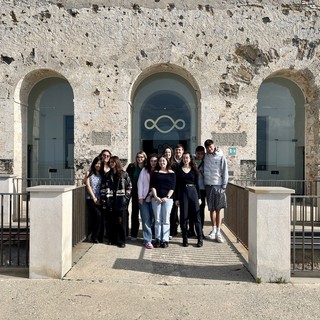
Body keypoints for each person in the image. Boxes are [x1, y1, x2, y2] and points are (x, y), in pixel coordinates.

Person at [100, 156, 132, 248]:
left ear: (117, 163)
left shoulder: (124, 174)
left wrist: (126, 199)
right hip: (110, 201)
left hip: (121, 202)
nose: (111, 164)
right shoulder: (107, 175)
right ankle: (112, 239)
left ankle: (121, 241)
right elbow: (102, 188)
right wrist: (104, 200)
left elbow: (129, 187)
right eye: (110, 162)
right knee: (110, 222)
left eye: (113, 162)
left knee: (121, 222)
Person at [175, 152, 203, 247]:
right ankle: (185, 238)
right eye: (184, 158)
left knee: (196, 216)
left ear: (190, 159)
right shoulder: (179, 171)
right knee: (183, 216)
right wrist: (177, 198)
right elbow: (177, 185)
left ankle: (200, 238)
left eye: (187, 158)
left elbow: (197, 185)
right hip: (183, 193)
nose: (185, 159)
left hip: (193, 192)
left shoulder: (194, 170)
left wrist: (199, 197)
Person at [203, 139, 229, 243]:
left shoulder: (221, 156)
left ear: (214, 145)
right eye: (208, 147)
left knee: (219, 209)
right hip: (208, 185)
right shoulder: (205, 157)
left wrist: (224, 186)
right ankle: (213, 230)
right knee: (211, 209)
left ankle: (218, 232)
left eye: (211, 146)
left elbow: (225, 171)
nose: (210, 149)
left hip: (218, 185)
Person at [150, 155, 176, 248]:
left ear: (167, 161)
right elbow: (152, 185)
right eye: (160, 161)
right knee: (157, 220)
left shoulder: (172, 173)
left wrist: (167, 197)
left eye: (164, 161)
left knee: (166, 220)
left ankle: (165, 240)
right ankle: (158, 239)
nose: (162, 162)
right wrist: (156, 196)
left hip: (167, 200)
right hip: (156, 199)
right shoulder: (155, 172)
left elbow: (172, 187)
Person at [137, 153, 158, 249]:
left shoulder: (158, 171)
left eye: (155, 161)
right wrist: (140, 197)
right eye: (151, 161)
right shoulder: (144, 170)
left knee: (154, 219)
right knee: (146, 219)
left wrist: (151, 195)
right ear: (149, 161)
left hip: (155, 198)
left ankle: (154, 237)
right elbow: (140, 183)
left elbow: (158, 185)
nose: (153, 163)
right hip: (144, 199)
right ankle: (147, 240)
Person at [126, 151, 148, 240]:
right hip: (134, 193)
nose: (140, 159)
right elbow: (126, 177)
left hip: (144, 193)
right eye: (138, 157)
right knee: (134, 213)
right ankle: (134, 234)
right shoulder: (131, 166)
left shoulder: (147, 167)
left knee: (145, 214)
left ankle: (146, 234)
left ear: (145, 158)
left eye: (142, 157)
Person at [84, 156, 104, 243]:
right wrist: (94, 198)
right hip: (91, 198)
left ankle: (98, 236)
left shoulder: (101, 174)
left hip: (100, 199)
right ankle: (93, 236)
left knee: (100, 217)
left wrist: (99, 198)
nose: (98, 165)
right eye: (97, 163)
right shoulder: (89, 172)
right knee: (97, 215)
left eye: (100, 164)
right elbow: (88, 186)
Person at [188, 145, 206, 237]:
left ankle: (200, 229)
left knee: (200, 210)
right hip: (193, 188)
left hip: (202, 189)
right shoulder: (191, 161)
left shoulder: (206, 162)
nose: (199, 155)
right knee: (191, 210)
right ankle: (191, 229)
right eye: (198, 153)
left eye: (201, 154)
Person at [168, 144, 184, 238]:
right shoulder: (172, 163)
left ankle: (184, 230)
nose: (178, 152)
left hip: (184, 189)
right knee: (173, 212)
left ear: (182, 151)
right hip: (174, 189)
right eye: (177, 150)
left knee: (184, 212)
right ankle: (173, 231)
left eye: (180, 150)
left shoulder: (186, 160)